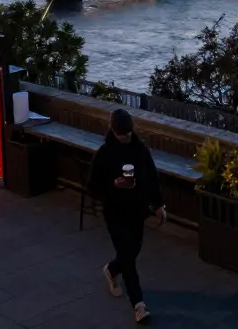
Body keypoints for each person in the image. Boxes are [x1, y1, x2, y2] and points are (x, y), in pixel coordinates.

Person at [88, 108, 167, 324]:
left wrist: (159, 204)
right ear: (113, 131)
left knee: (134, 249)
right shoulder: (104, 154)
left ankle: (112, 269)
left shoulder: (140, 149)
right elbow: (93, 188)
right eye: (123, 134)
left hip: (137, 210)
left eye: (129, 133)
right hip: (115, 212)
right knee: (129, 256)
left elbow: (152, 177)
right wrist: (112, 184)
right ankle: (138, 304)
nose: (126, 137)